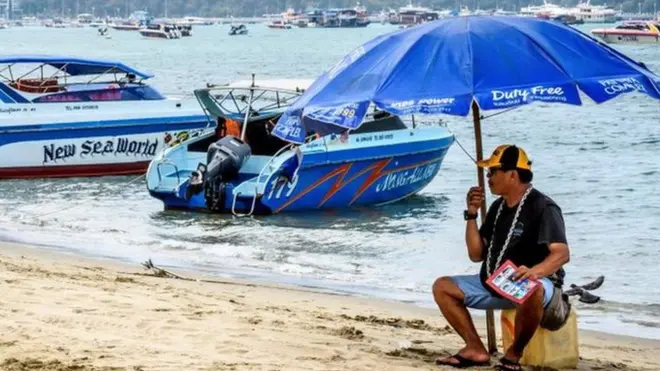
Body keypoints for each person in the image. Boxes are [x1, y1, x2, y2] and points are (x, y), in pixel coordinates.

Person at [432, 144, 571, 370]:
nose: (488, 178)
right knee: (442, 287)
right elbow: (476, 255)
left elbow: (561, 253)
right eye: (488, 172)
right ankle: (475, 348)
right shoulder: (498, 207)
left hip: (535, 285)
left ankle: (513, 354)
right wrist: (471, 214)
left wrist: (533, 272)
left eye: (493, 172)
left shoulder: (543, 206)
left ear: (513, 174)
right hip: (495, 281)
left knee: (532, 289)